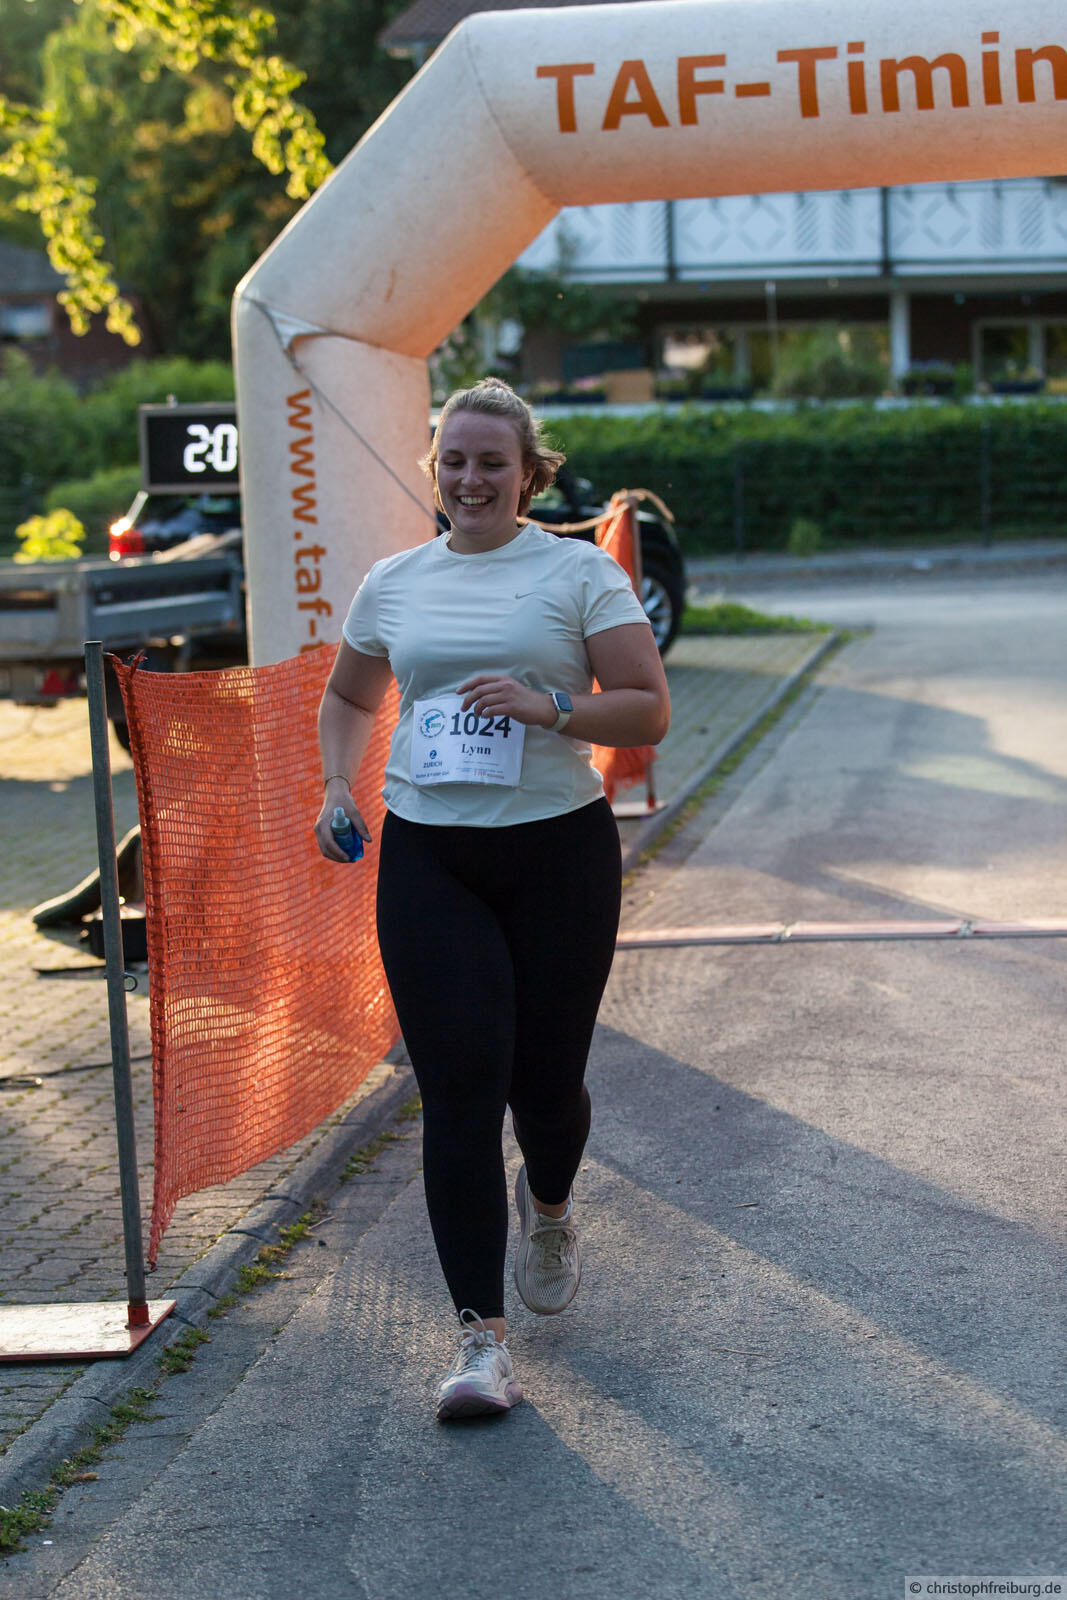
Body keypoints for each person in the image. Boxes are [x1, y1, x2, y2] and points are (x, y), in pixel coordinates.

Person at [314, 378, 670, 1422]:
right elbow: (348, 695)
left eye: (491, 463)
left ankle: (548, 1205)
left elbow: (646, 706)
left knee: (544, 1092)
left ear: (527, 475)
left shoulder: (577, 571)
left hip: (558, 855)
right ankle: (481, 1345)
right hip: (432, 857)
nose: (471, 480)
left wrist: (548, 705)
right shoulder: (394, 580)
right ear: (434, 471)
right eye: (454, 462)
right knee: (461, 1096)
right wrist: (335, 784)